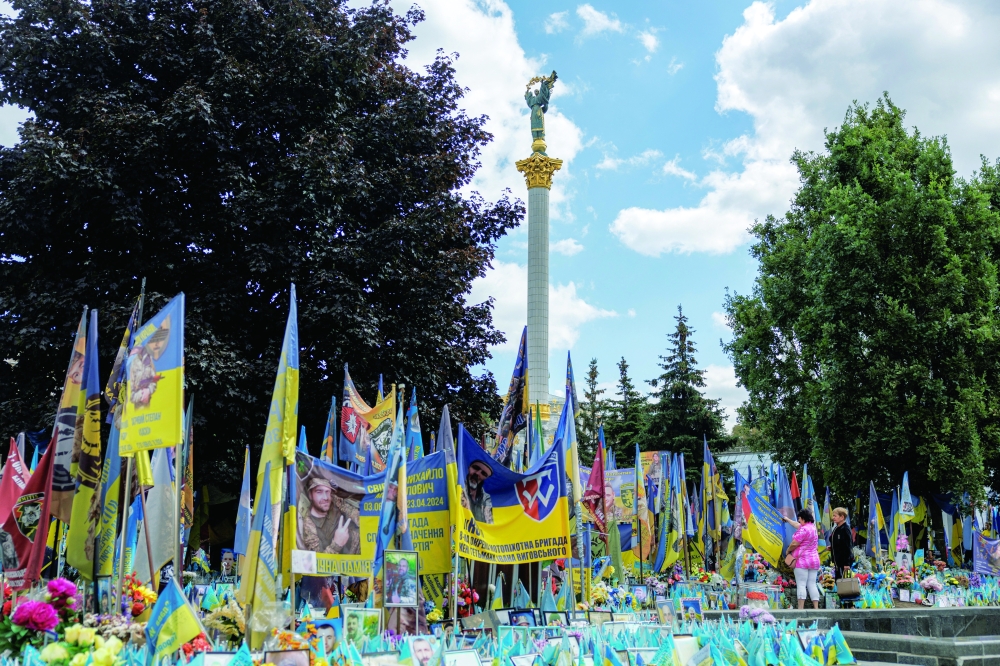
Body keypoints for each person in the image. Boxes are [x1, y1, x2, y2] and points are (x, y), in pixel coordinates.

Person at [299, 477, 360, 554]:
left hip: (366, 545)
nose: (325, 497)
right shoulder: (309, 526)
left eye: (327, 491)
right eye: (319, 492)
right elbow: (319, 561)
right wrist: (337, 544)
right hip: (350, 560)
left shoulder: (333, 500)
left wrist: (363, 523)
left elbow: (350, 510)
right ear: (310, 495)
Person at [783, 508, 821, 609]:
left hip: (802, 561)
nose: (798, 520)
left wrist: (787, 551)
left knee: (801, 584)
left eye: (799, 518)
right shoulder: (812, 527)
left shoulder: (804, 529)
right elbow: (796, 525)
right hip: (814, 561)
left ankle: (800, 608)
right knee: (812, 584)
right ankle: (816, 608)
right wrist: (788, 520)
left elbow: (795, 543)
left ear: (803, 518)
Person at [829, 507, 855, 578]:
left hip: (844, 562)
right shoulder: (836, 528)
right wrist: (832, 547)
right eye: (833, 515)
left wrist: (847, 563)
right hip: (837, 561)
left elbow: (848, 546)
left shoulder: (845, 529)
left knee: (846, 581)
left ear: (842, 517)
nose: (833, 517)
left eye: (835, 516)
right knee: (838, 581)